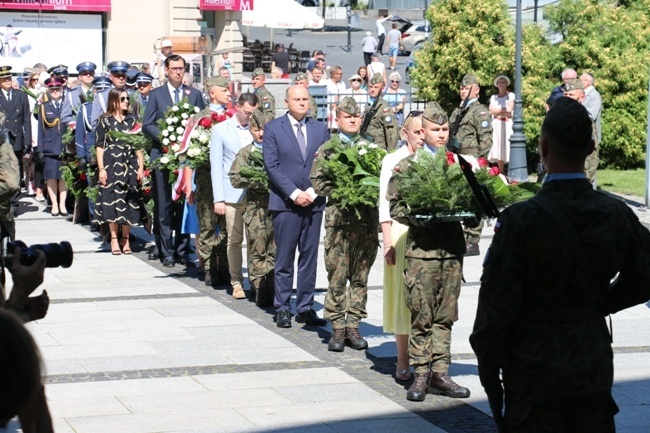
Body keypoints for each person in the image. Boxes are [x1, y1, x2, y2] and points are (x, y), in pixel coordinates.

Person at [470, 97, 650, 433]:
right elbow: (646, 274)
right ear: (590, 148)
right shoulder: (615, 214)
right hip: (590, 363)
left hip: (534, 370)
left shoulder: (521, 220)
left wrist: (488, 366)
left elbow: (496, 305)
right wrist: (602, 303)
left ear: (543, 147)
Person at [387, 101, 471, 402]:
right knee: (422, 316)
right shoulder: (408, 167)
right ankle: (420, 374)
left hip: (450, 252)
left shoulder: (458, 165)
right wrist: (418, 216)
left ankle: (441, 373)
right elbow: (395, 206)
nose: (441, 134)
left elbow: (475, 203)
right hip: (422, 253)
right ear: (422, 131)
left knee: (446, 316)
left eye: (445, 129)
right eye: (436, 130)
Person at [310, 97, 378, 352]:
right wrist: (346, 188)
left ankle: (354, 325)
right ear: (337, 119)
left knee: (360, 277)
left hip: (366, 222)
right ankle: (337, 328)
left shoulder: (371, 147)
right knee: (337, 277)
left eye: (356, 116)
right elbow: (318, 183)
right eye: (347, 116)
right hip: (339, 222)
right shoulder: (328, 148)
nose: (352, 119)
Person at [263, 85, 329, 329]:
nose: (302, 103)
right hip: (286, 203)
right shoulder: (273, 128)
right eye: (297, 99)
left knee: (309, 257)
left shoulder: (320, 129)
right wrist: (293, 193)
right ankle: (282, 306)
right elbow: (272, 166)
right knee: (284, 257)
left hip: (313, 202)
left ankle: (305, 307)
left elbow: (325, 163)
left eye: (305, 99)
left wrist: (311, 192)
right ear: (287, 101)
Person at [143, 54, 205, 268]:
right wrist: (166, 136)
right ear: (167, 71)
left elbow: (202, 121)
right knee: (164, 204)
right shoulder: (156, 95)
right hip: (163, 156)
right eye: (174, 68)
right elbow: (147, 123)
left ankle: (181, 248)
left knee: (184, 204)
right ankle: (165, 249)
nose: (178, 72)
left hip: (186, 159)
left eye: (181, 68)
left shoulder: (194, 94)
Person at [379, 110, 425, 381]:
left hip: (428, 233)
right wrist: (387, 240)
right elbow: (384, 203)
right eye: (416, 132)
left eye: (424, 131)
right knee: (402, 298)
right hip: (400, 231)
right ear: (404, 133)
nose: (421, 137)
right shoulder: (393, 160)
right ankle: (403, 358)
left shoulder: (437, 157)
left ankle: (427, 358)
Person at [210, 92, 258, 299]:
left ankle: (256, 281)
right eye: (247, 112)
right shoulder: (221, 130)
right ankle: (236, 280)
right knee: (235, 239)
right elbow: (216, 166)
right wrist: (218, 198)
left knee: (257, 240)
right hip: (231, 194)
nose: (250, 117)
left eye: (253, 113)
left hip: (256, 193)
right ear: (237, 107)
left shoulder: (260, 129)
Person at [229, 109, 275, 307]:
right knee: (257, 249)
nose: (261, 134)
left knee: (274, 249)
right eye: (256, 129)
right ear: (251, 130)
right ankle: (258, 287)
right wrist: (256, 181)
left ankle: (272, 286)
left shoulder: (276, 150)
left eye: (264, 129)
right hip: (255, 209)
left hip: (275, 207)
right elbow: (235, 178)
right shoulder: (246, 153)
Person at [93, 89, 143, 255]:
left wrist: (141, 167)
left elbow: (138, 145)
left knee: (129, 200)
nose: (126, 101)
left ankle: (126, 239)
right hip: (111, 164)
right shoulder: (104, 120)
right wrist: (101, 169)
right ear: (114, 101)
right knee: (112, 200)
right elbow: (99, 145)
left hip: (129, 163)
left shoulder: (132, 119)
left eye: (127, 98)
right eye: (123, 99)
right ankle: (114, 238)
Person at [449, 73, 493, 256]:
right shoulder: (459, 110)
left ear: (476, 90)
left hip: (472, 160)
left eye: (467, 88)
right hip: (457, 159)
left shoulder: (479, 111)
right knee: (461, 198)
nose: (463, 91)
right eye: (462, 88)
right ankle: (462, 235)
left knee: (474, 199)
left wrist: (480, 161)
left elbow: (486, 139)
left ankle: (473, 239)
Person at [194, 76, 232, 287]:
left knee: (227, 226)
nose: (228, 93)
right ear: (212, 93)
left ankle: (225, 266)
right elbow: (188, 154)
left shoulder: (232, 117)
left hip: (228, 180)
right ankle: (209, 267)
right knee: (208, 224)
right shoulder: (199, 118)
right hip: (206, 179)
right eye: (224, 90)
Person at [0, 65, 31, 216]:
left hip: (17, 140)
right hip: (1, 141)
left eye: (8, 78)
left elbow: (26, 120)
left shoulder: (21, 96)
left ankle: (14, 205)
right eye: (3, 78)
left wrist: (28, 142)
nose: (6, 81)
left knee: (15, 172)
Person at [36, 77, 68, 217]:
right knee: (51, 177)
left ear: (62, 89)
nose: (55, 91)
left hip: (66, 147)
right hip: (50, 147)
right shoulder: (44, 107)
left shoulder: (68, 104)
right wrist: (40, 149)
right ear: (49, 91)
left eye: (58, 89)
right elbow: (40, 130)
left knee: (63, 177)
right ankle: (54, 204)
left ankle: (62, 204)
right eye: (52, 89)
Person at [562, 78, 599, 185]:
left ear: (582, 98)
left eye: (571, 95)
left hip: (577, 175)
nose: (567, 98)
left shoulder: (584, 120)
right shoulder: (558, 116)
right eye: (566, 95)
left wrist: (586, 178)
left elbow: (591, 152)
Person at [362, 73, 399, 150]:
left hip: (379, 148)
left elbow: (391, 132)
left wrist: (390, 151)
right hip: (366, 145)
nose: (372, 90)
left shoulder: (384, 108)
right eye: (371, 87)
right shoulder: (369, 105)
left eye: (376, 87)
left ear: (382, 89)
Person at [487, 75, 514, 175]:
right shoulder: (493, 97)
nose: (501, 84)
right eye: (499, 82)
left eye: (503, 82)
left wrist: (497, 112)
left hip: (507, 125)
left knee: (508, 147)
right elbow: (490, 111)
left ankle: (511, 172)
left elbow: (509, 110)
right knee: (498, 149)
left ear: (506, 84)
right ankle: (501, 172)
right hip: (497, 125)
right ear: (497, 85)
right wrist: (502, 111)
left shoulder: (511, 95)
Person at [580, 71, 602, 143]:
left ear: (588, 82)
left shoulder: (594, 96)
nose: (578, 82)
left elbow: (591, 115)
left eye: (580, 80)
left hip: (590, 138)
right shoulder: (582, 94)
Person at [324, 66, 346, 131]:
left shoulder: (342, 84)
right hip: (329, 107)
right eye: (340, 74)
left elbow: (344, 95)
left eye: (342, 74)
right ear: (333, 74)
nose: (341, 75)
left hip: (340, 106)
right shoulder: (327, 83)